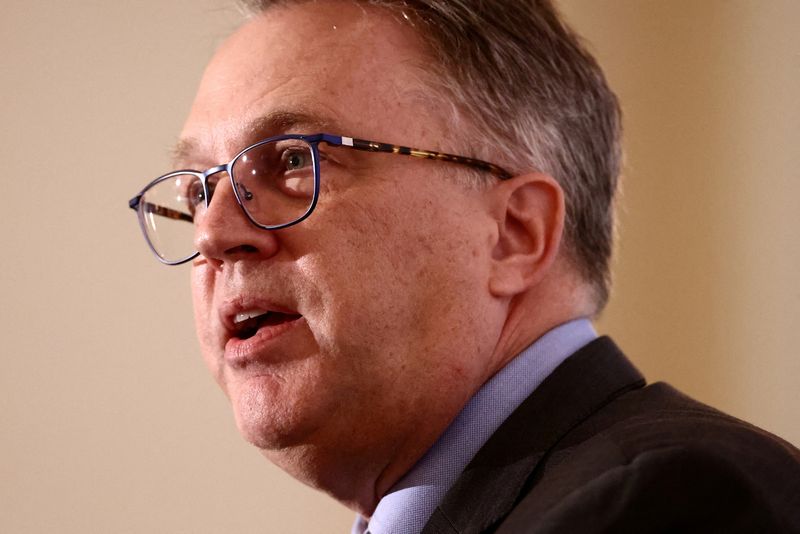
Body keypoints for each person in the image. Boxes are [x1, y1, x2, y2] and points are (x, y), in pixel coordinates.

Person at [128, 0, 800, 532]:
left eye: (294, 161)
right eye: (197, 189)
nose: (214, 232)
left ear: (512, 233)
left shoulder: (666, 506)